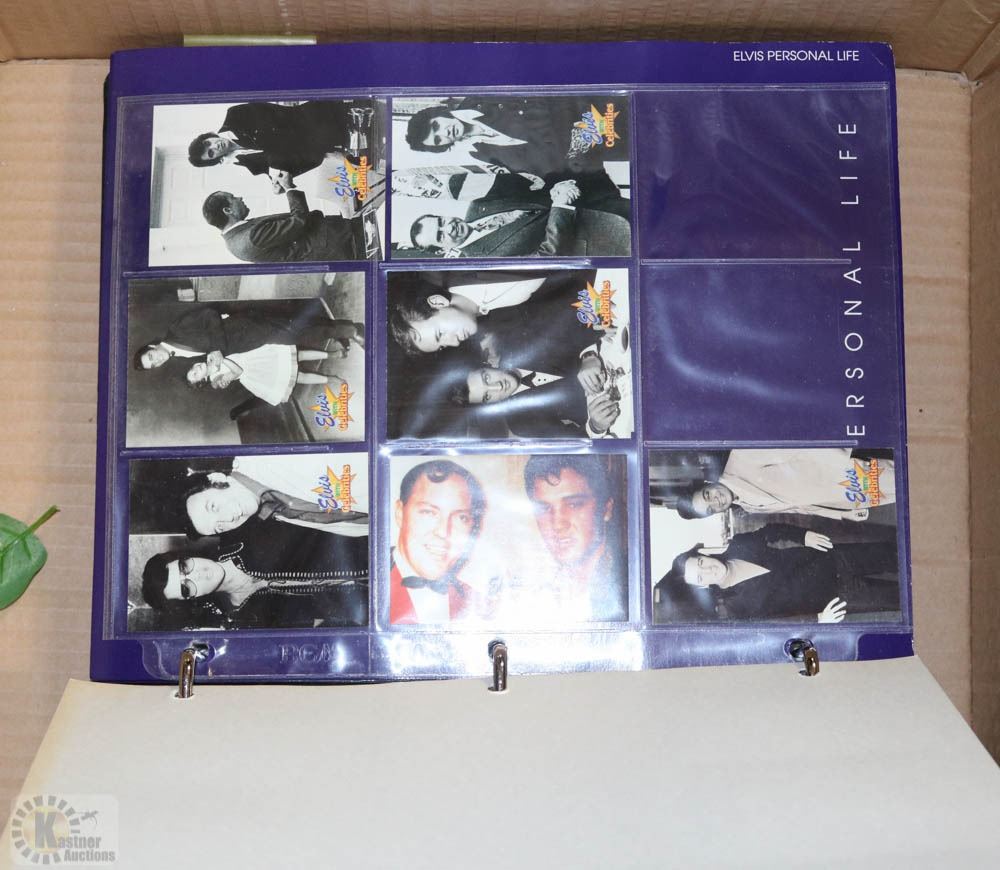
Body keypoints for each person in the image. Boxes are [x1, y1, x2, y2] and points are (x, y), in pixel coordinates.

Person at [653, 522, 900, 623]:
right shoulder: (738, 608)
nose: (708, 570)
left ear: (703, 554)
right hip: (837, 598)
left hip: (833, 560)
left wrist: (803, 535)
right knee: (899, 597)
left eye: (701, 562)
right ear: (701, 586)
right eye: (700, 577)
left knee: (895, 555)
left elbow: (771, 531)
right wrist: (818, 619)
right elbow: (779, 623)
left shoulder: (739, 545)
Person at [140, 521, 368, 630]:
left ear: (186, 555)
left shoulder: (242, 531)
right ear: (192, 599)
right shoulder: (244, 620)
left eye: (185, 567)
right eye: (186, 588)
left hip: (367, 547)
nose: (198, 575)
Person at [403, 179, 630, 258]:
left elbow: (534, 191)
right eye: (440, 236)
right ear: (442, 250)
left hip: (599, 203)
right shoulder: (482, 260)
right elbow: (545, 256)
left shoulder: (478, 205)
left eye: (441, 222)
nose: (448, 228)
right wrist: (560, 206)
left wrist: (556, 189)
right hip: (604, 240)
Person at [404, 97, 623, 176]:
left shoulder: (482, 97)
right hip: (596, 151)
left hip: (599, 111)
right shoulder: (481, 153)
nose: (444, 133)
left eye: (436, 126)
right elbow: (544, 165)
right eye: (438, 140)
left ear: (440, 113)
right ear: (442, 146)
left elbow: (547, 96)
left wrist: (585, 126)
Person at [523, 454, 627, 621]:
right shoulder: (529, 595)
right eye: (544, 508)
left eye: (573, 505)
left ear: (606, 509)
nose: (558, 524)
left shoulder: (629, 588)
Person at [674, 448, 896, 522]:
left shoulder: (740, 458)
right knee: (905, 494)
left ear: (707, 483)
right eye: (711, 510)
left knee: (905, 477)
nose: (716, 502)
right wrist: (840, 513)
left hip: (850, 474)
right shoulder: (748, 506)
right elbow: (800, 507)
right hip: (847, 498)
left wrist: (847, 462)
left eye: (707, 495)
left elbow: (799, 448)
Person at [390, 459, 487, 624]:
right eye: (429, 512)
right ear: (400, 513)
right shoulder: (361, 585)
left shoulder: (480, 605)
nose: (443, 532)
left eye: (461, 517)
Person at [183, 455, 368, 539]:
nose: (228, 518)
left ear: (217, 479)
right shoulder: (277, 513)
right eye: (219, 527)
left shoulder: (269, 458)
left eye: (213, 507)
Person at [133, 305, 363, 371]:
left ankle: (352, 331)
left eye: (151, 356)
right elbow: (211, 351)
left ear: (152, 346)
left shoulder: (176, 329)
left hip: (247, 327)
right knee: (296, 328)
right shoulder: (177, 357)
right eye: (154, 365)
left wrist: (216, 349)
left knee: (297, 332)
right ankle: (343, 329)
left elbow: (209, 313)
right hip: (248, 341)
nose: (157, 361)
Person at [188, 101, 358, 190]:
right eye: (210, 153)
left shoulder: (234, 115)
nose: (214, 147)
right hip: (326, 147)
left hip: (324, 119)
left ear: (209, 136)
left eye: (208, 143)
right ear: (215, 159)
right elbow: (278, 167)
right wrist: (278, 184)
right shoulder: (243, 162)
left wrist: (274, 167)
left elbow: (275, 133)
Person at [450, 365, 620, 438]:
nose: (497, 387)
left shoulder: (524, 338)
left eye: (487, 378)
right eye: (487, 396)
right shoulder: (520, 424)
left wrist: (589, 355)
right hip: (617, 409)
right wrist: (596, 426)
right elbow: (579, 438)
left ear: (486, 364)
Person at [203, 189, 366, 263]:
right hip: (343, 240)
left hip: (339, 239)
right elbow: (298, 222)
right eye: (233, 197)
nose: (240, 198)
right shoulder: (250, 237)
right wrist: (289, 188)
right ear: (228, 210)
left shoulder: (234, 241)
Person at [185, 346, 343, 406]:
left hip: (254, 356)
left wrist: (216, 355)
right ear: (202, 380)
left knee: (296, 355)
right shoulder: (215, 381)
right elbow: (238, 372)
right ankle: (330, 379)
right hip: (256, 374)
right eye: (195, 374)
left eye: (192, 368)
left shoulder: (210, 357)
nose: (196, 367)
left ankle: (332, 354)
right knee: (297, 377)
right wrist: (222, 359)